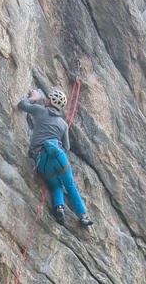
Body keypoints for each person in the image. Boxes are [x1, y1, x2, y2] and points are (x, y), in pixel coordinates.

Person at [17, 87, 94, 228]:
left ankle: (59, 207)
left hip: (40, 159)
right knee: (70, 185)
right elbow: (67, 148)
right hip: (58, 156)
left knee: (55, 185)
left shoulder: (40, 110)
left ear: (50, 101)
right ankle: (83, 216)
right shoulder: (63, 125)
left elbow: (22, 105)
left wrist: (33, 98)